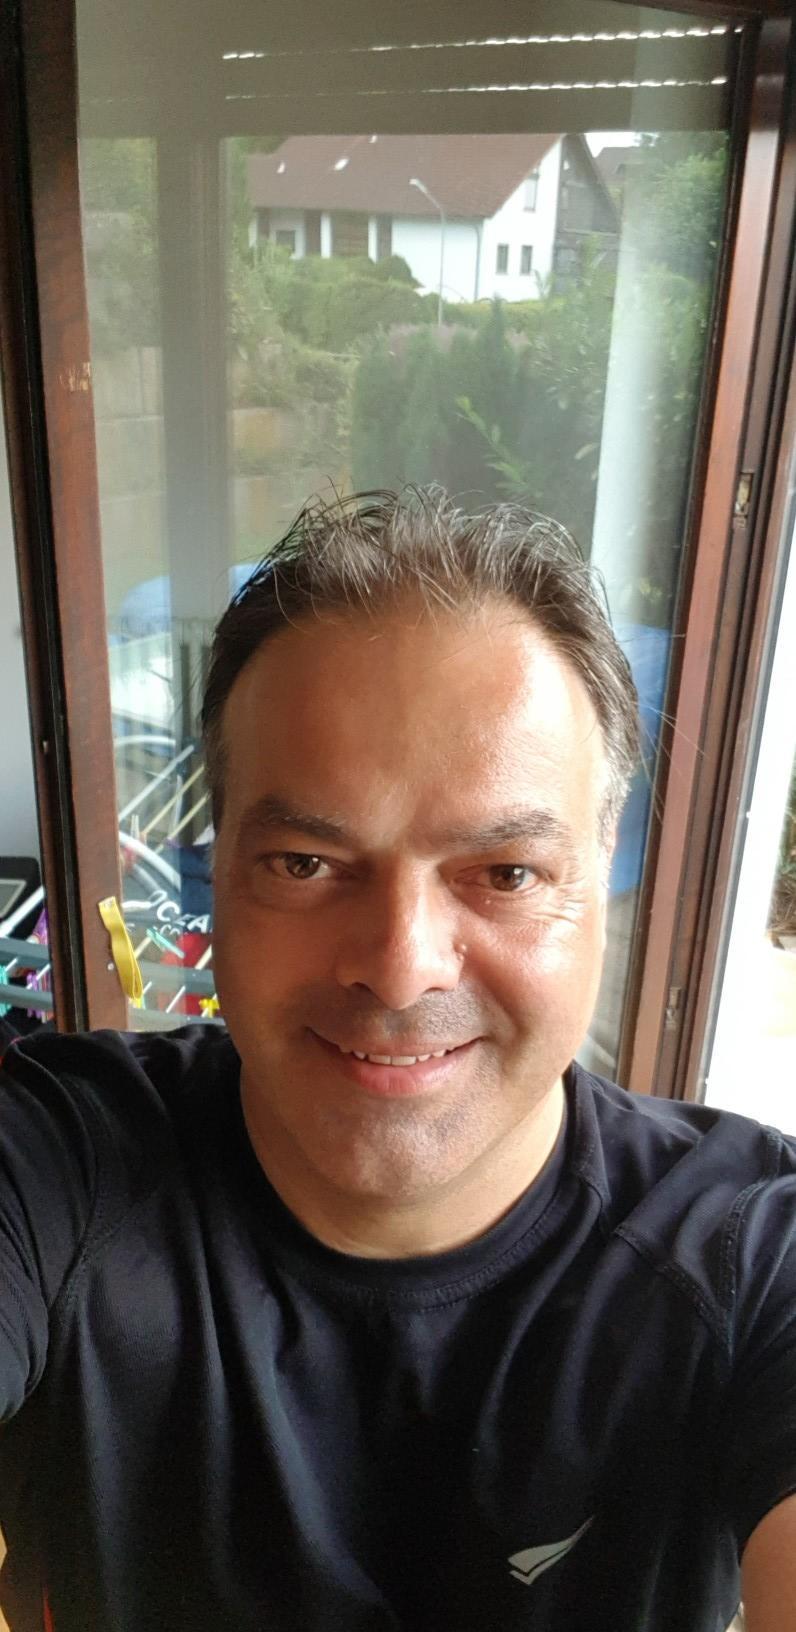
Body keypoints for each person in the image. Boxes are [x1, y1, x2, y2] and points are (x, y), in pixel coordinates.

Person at [0, 489, 793, 1632]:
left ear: (598, 876)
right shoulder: (59, 1167)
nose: (401, 968)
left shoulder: (750, 1254)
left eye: (505, 874)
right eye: (305, 863)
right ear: (219, 874)